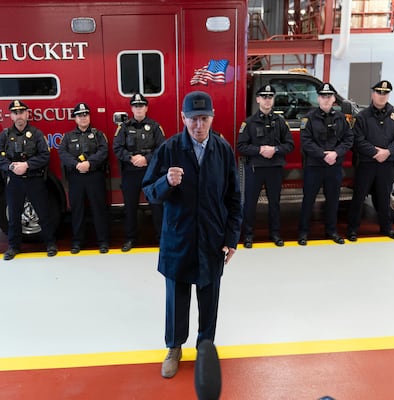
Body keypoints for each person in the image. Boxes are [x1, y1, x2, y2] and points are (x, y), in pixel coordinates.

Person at [142, 91, 242, 379]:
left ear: (211, 118)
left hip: (212, 238)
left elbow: (234, 198)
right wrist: (166, 182)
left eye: (204, 118)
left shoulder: (222, 150)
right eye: (193, 119)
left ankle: (205, 347)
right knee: (177, 297)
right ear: (182, 118)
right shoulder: (169, 150)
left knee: (209, 296)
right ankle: (174, 348)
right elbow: (149, 191)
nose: (198, 125)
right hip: (178, 238)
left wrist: (231, 238)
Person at [0, 100, 57, 260]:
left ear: (27, 114)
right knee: (13, 216)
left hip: (34, 180)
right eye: (15, 113)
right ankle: (13, 247)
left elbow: (45, 156)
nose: (19, 116)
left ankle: (50, 244)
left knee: (43, 213)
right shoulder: (5, 135)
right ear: (11, 116)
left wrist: (27, 165)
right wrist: (12, 167)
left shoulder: (36, 134)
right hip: (14, 181)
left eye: (21, 112)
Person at [346, 80, 394, 241]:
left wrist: (388, 152)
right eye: (379, 93)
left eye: (385, 93)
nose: (382, 96)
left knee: (384, 197)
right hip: (366, 164)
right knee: (359, 197)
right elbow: (357, 139)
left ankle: (387, 228)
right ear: (373, 94)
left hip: (386, 163)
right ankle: (352, 230)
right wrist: (374, 152)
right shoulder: (362, 116)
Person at [237, 84, 294, 248]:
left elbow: (289, 145)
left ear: (273, 100)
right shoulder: (249, 123)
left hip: (274, 168)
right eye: (264, 97)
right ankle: (248, 235)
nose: (267, 100)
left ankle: (275, 234)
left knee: (274, 203)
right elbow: (241, 147)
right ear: (258, 99)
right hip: (255, 168)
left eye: (270, 97)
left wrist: (275, 149)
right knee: (250, 203)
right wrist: (260, 150)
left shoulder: (281, 122)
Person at [297, 82, 353, 246]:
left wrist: (336, 153)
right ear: (318, 98)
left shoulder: (341, 118)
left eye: (329, 96)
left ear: (334, 98)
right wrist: (323, 155)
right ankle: (303, 232)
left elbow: (348, 139)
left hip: (334, 166)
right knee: (308, 200)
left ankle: (331, 231)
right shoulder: (308, 118)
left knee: (333, 200)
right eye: (323, 96)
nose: (326, 99)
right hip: (314, 166)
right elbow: (306, 142)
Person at [113, 93, 165, 251]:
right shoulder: (124, 127)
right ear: (132, 109)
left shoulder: (155, 126)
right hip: (130, 172)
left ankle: (162, 239)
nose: (139, 109)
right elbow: (117, 148)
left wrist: (146, 159)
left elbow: (161, 148)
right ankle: (130, 239)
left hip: (151, 172)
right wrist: (131, 158)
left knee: (156, 205)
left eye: (141, 106)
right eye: (136, 106)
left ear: (146, 108)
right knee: (130, 207)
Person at [59, 103, 110, 253]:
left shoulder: (98, 134)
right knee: (77, 210)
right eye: (80, 116)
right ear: (75, 119)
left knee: (99, 209)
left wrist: (89, 163)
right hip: (76, 177)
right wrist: (76, 165)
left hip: (94, 176)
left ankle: (103, 241)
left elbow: (103, 151)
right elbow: (62, 153)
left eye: (85, 115)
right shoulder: (68, 137)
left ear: (89, 116)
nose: (83, 118)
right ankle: (77, 242)